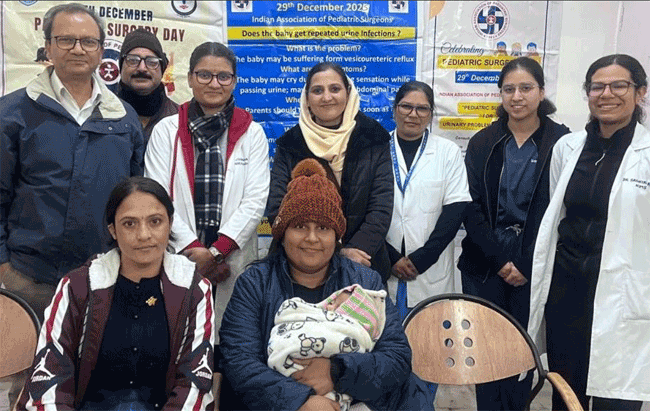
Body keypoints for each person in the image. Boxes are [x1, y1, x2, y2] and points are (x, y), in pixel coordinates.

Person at [0, 4, 144, 407]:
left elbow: (134, 202)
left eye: (88, 41)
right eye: (66, 40)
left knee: (96, 382)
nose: (77, 49)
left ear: (101, 50)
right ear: (47, 47)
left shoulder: (123, 118)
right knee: (29, 385)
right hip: (30, 278)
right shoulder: (13, 113)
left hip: (103, 280)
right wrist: (4, 266)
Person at [220, 159, 434, 411]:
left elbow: (396, 357)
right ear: (282, 233)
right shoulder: (255, 283)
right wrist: (301, 401)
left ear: (336, 236)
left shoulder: (365, 281)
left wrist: (336, 371)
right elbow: (239, 361)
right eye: (300, 226)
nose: (312, 238)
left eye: (322, 228)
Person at [15, 176, 214, 411]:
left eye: (155, 221)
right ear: (113, 230)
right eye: (129, 224)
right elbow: (50, 379)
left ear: (170, 224)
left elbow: (194, 385)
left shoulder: (194, 290)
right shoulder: (77, 286)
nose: (143, 235)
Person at [529, 54, 650, 411]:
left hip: (623, 296)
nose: (606, 94)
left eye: (619, 85)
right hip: (567, 294)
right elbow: (557, 214)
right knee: (567, 397)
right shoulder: (567, 148)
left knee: (618, 399)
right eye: (597, 86)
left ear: (640, 92)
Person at [458, 57, 570, 411]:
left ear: (541, 92)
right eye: (509, 89)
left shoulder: (562, 142)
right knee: (486, 354)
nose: (517, 97)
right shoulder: (483, 142)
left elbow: (560, 210)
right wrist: (500, 260)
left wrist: (524, 261)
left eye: (526, 88)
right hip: (485, 263)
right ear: (501, 94)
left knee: (522, 355)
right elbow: (470, 206)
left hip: (535, 262)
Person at [144, 42, 269, 347]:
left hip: (232, 256)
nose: (214, 83)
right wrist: (194, 250)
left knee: (230, 342)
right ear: (189, 78)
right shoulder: (166, 131)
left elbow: (255, 201)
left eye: (223, 76)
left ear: (234, 81)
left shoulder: (252, 133)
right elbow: (157, 198)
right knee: (178, 339)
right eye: (204, 75)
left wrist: (215, 253)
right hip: (181, 251)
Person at [265, 62, 394, 282]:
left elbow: (381, 206)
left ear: (348, 93)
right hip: (301, 266)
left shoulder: (374, 137)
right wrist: (335, 253)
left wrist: (355, 251)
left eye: (335, 89)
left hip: (363, 262)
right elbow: (277, 209)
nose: (327, 97)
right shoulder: (290, 144)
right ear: (307, 98)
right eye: (317, 90)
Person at [385, 81, 471, 322]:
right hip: (386, 264)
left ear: (431, 115)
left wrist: (422, 259)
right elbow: (366, 210)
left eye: (422, 108)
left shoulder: (448, 152)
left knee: (431, 337)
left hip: (430, 269)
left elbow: (456, 210)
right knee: (386, 337)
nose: (413, 114)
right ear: (394, 110)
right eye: (406, 106)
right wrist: (390, 258)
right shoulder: (377, 149)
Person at [268, 284, 387, 411]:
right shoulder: (260, 282)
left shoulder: (353, 331)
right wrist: (297, 399)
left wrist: (336, 371)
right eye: (331, 302)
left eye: (337, 304)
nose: (329, 306)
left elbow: (394, 360)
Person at [117, 28, 179, 143]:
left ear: (162, 70)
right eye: (133, 60)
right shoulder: (102, 112)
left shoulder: (179, 118)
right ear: (121, 67)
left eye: (152, 62)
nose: (142, 68)